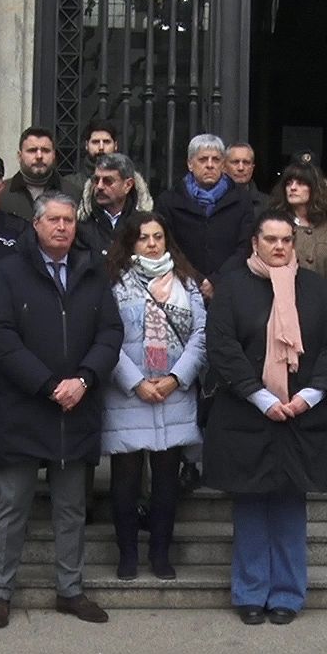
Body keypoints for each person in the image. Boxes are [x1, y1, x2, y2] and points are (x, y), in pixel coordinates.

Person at [0, 194, 123, 628]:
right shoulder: (7, 273)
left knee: (70, 507)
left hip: (75, 407)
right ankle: (0, 593)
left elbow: (110, 332)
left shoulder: (92, 273)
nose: (62, 227)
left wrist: (83, 379)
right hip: (23, 407)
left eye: (68, 220)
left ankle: (71, 589)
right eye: (53, 220)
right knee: (12, 505)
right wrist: (47, 385)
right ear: (37, 225)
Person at [207, 211, 327, 624]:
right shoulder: (232, 289)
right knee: (250, 506)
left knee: (290, 506)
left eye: (286, 239)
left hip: (303, 416)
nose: (280, 246)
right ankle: (250, 592)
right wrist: (260, 396)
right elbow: (223, 347)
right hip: (248, 414)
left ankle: (287, 594)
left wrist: (309, 394)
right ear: (255, 243)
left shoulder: (316, 289)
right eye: (270, 239)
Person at [101, 211, 209, 581]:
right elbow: (106, 339)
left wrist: (176, 378)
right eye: (144, 237)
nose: (151, 243)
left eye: (158, 236)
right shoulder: (115, 283)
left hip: (173, 394)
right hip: (128, 395)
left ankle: (160, 554)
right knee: (125, 483)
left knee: (166, 484)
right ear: (131, 242)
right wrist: (135, 382)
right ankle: (127, 554)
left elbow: (201, 335)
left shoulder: (186, 282)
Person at [156, 133, 256, 287]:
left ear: (222, 165)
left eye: (216, 160)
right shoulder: (169, 201)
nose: (210, 165)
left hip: (229, 285)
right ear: (190, 164)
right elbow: (168, 246)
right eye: (203, 159)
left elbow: (244, 247)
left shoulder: (241, 199)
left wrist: (216, 280)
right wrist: (197, 280)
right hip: (182, 285)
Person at [271, 162, 327, 306]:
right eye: (289, 183)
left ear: (314, 189)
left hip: (323, 313)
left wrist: (317, 305)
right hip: (280, 309)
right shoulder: (273, 226)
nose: (293, 188)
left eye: (301, 183)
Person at [76, 151, 153, 253]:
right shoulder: (82, 223)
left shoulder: (146, 223)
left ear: (127, 185)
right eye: (96, 180)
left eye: (108, 181)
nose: (99, 186)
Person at [0, 127, 69, 220]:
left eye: (45, 150)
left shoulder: (72, 193)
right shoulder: (1, 193)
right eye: (32, 150)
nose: (39, 156)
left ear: (53, 155)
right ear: (19, 156)